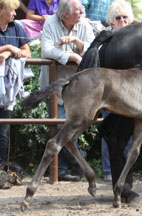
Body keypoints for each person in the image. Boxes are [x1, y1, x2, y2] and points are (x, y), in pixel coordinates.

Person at [40, 0, 95, 181]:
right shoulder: (50, 23)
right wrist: (71, 56)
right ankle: (63, 168)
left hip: (78, 89)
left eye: (81, 9)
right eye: (78, 10)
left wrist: (76, 42)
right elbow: (46, 50)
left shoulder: (84, 24)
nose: (81, 12)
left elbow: (93, 49)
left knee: (73, 127)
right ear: (65, 14)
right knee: (59, 127)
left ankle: (71, 166)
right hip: (56, 85)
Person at [101, 0, 134, 181]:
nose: (122, 21)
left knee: (127, 135)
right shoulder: (106, 37)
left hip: (129, 95)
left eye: (125, 17)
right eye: (118, 18)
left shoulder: (135, 39)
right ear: (112, 21)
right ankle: (108, 170)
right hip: (111, 95)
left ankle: (126, 170)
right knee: (109, 132)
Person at [0, 0, 31, 163]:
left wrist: (10, 54)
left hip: (7, 89)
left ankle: (2, 167)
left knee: (4, 131)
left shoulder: (16, 27)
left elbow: (28, 52)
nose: (14, 14)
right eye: (12, 10)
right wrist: (9, 48)